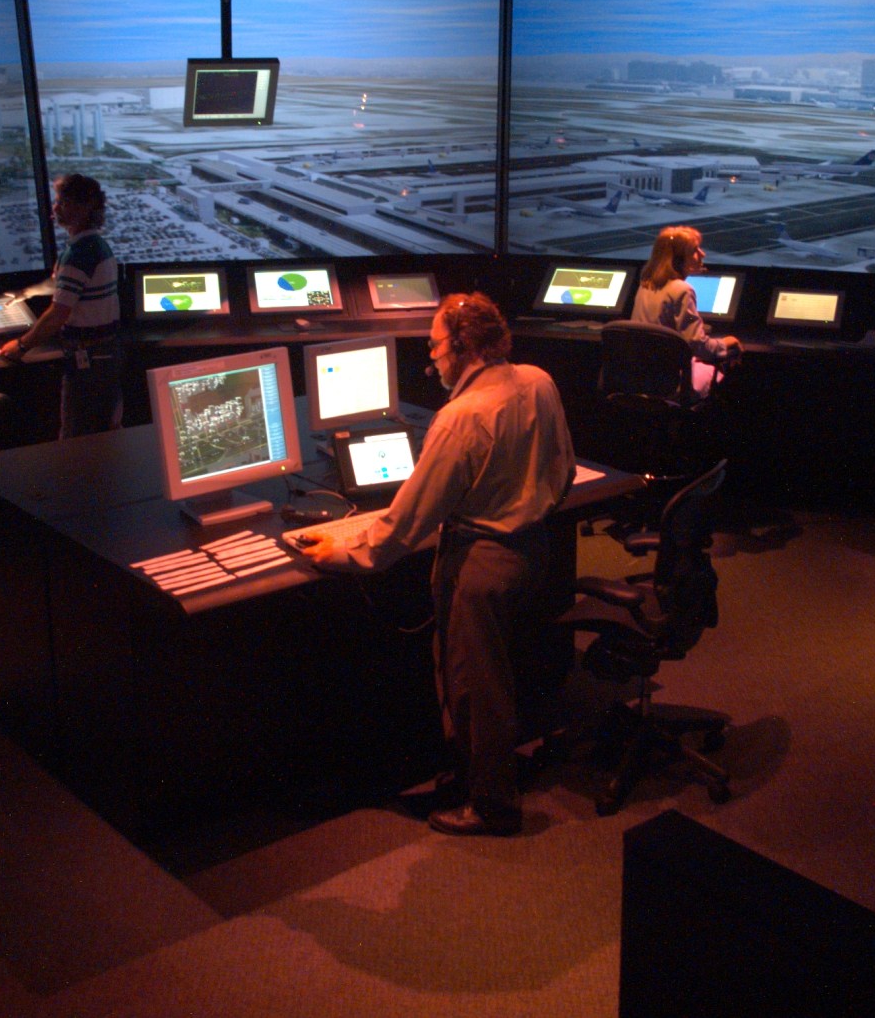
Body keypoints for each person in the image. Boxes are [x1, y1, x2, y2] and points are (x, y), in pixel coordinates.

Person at [299, 292, 575, 837]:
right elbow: (561, 470)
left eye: (435, 346)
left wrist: (345, 552)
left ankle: (492, 804)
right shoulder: (539, 381)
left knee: (476, 686)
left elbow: (408, 520)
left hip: (481, 563)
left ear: (463, 346)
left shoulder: (460, 418)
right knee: (497, 674)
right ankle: (474, 775)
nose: (433, 359)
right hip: (533, 551)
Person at [0, 173, 123, 439]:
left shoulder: (78, 254)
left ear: (84, 207)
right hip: (104, 356)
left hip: (87, 361)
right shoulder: (96, 246)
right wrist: (27, 293)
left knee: (76, 438)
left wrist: (20, 346)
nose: (55, 208)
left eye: (62, 202)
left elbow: (58, 313)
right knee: (104, 434)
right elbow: (62, 283)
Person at [633, 224, 740, 398]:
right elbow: (697, 345)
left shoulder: (645, 285)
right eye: (694, 250)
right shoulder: (683, 289)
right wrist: (727, 342)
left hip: (641, 377)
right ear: (677, 259)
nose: (702, 254)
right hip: (668, 381)